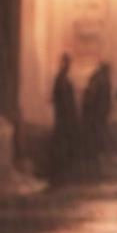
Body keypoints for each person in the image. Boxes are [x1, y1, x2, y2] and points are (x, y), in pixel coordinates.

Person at [80, 62, 112, 180]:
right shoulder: (101, 82)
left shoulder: (100, 81)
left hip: (97, 117)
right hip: (96, 118)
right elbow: (92, 100)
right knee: (95, 144)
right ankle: (94, 172)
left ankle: (95, 171)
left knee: (96, 144)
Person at [51, 53, 78, 182]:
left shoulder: (63, 79)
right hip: (63, 117)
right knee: (63, 142)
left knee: (64, 142)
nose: (68, 66)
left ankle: (62, 169)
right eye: (66, 63)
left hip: (64, 116)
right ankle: (61, 170)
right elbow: (63, 100)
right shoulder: (62, 80)